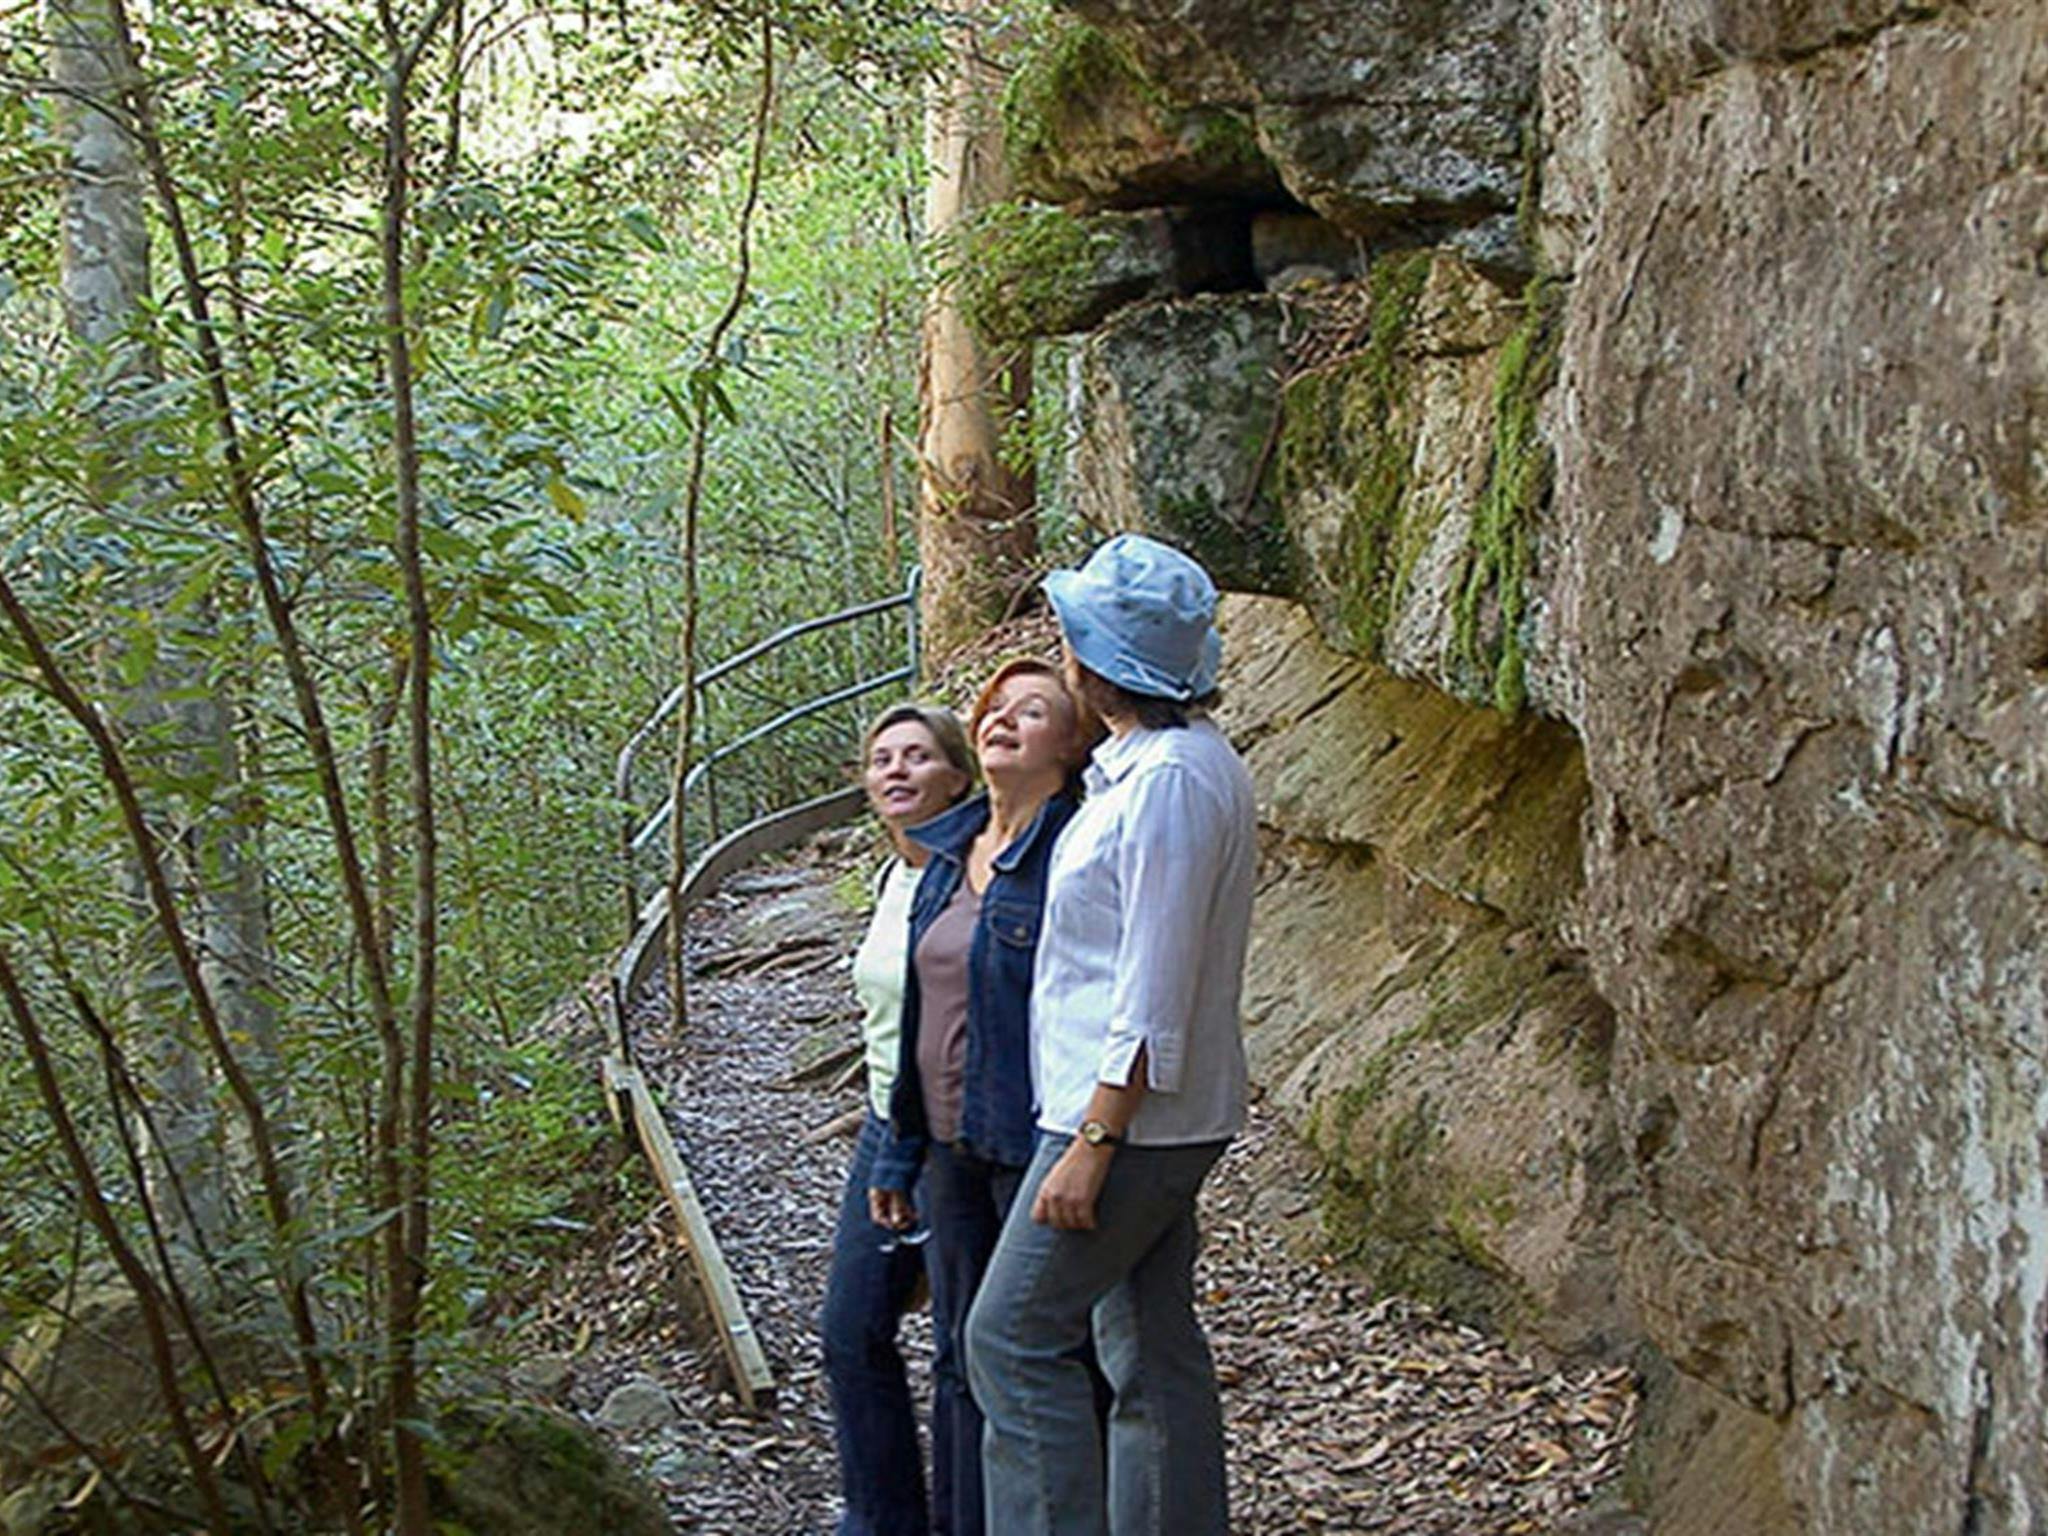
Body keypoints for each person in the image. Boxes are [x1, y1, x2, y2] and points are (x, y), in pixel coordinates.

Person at [964, 535, 1256, 1536]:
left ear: (1097, 664)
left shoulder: (1173, 778)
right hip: (1138, 1116)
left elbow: (1153, 978)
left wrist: (1092, 1141)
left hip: (1127, 1123)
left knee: (1008, 1341)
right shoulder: (1147, 767)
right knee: (1142, 1339)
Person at [867, 658, 1096, 1536]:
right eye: (994, 706)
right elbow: (920, 1008)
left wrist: (1092, 1141)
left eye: (1031, 711)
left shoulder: (1077, 850)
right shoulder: (945, 854)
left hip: (1037, 1145)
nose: (1001, 719)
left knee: (1041, 1355)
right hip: (949, 1147)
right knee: (960, 1353)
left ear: (1072, 748)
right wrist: (901, 1147)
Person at [820, 702, 974, 1536]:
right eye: (882, 759)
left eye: (917, 757)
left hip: (955, 1135)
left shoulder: (977, 874)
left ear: (958, 775)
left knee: (958, 1349)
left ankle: (961, 1519)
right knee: (850, 1331)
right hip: (886, 1124)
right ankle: (881, 1519)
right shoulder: (893, 877)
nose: (897, 772)